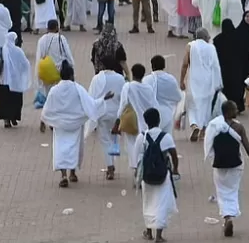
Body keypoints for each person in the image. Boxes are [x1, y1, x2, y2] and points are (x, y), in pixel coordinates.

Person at [40, 64, 112, 187]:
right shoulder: (77, 88)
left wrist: (43, 120)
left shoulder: (54, 90)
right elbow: (91, 104)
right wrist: (103, 99)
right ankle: (72, 173)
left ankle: (63, 176)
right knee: (75, 148)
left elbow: (47, 108)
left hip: (60, 125)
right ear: (71, 75)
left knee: (60, 149)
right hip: (76, 123)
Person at [203, 101, 249, 238]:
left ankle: (227, 217)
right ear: (228, 112)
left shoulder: (215, 126)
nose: (237, 110)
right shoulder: (238, 127)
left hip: (219, 164)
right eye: (234, 109)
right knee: (233, 190)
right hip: (236, 164)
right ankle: (230, 217)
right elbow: (248, 148)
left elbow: (208, 145)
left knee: (222, 192)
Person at [136, 107, 179, 242]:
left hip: (147, 175)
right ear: (159, 120)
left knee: (148, 202)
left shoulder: (142, 137)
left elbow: (137, 156)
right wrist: (175, 169)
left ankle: (148, 232)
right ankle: (159, 235)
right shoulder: (166, 137)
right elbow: (174, 155)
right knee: (161, 202)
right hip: (162, 174)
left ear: (145, 121)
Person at [180, 27, 223, 141]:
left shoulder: (190, 46)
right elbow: (215, 66)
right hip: (208, 82)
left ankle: (194, 125)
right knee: (206, 106)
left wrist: (181, 80)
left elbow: (185, 64)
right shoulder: (211, 48)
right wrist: (218, 83)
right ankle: (203, 130)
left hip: (194, 80)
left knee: (193, 105)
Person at [88, 54, 127, 178]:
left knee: (105, 141)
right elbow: (124, 98)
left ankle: (110, 167)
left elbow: (91, 97)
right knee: (113, 140)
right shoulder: (120, 79)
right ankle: (112, 163)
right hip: (117, 114)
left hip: (102, 113)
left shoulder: (97, 79)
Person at [215, 16, 249, 113]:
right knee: (237, 88)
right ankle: (238, 106)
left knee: (226, 88)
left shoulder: (218, 40)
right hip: (237, 69)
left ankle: (227, 107)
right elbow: (244, 53)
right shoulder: (238, 37)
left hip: (224, 69)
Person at [0, 32, 31, 128]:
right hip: (15, 81)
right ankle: (14, 117)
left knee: (4, 101)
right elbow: (25, 64)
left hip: (3, 81)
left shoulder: (0, 50)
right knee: (16, 100)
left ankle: (6, 120)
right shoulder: (18, 51)